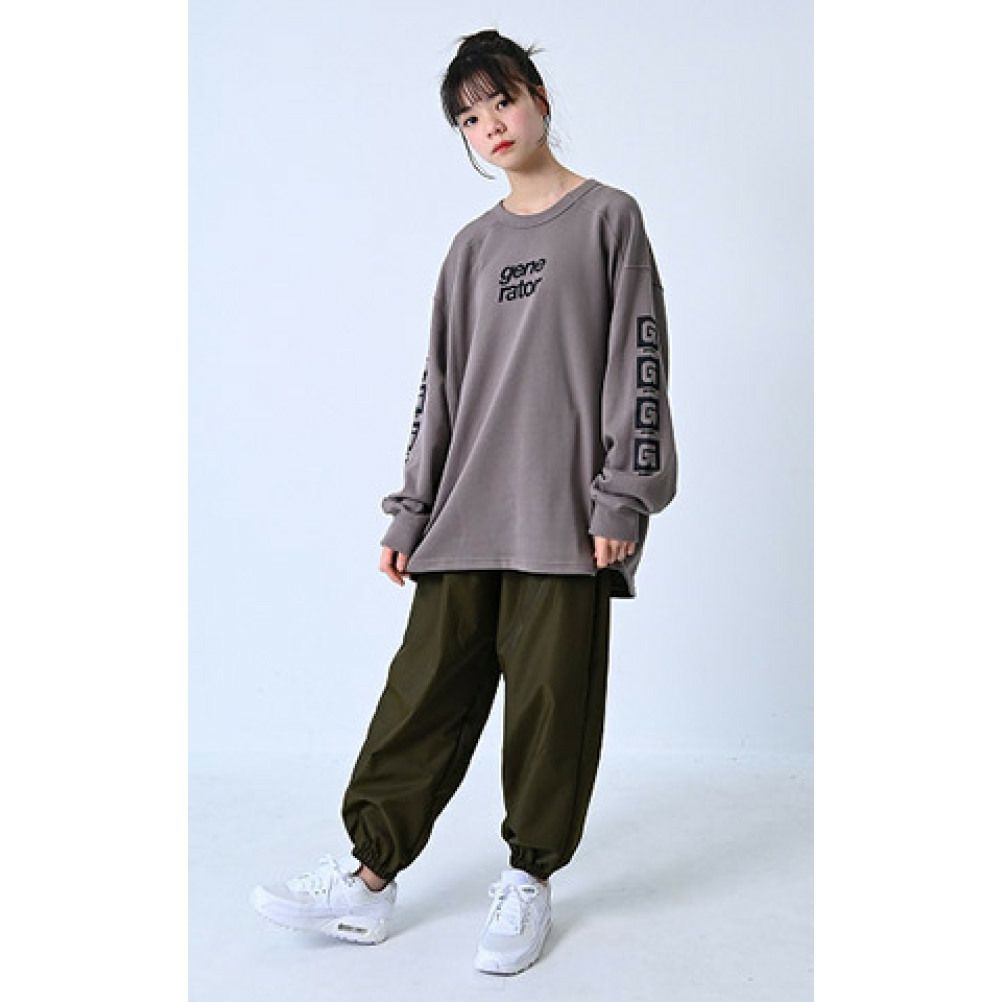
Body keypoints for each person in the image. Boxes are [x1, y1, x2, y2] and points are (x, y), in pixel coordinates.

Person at [251, 27, 679, 975]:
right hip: (464, 510)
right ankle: (369, 880)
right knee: (423, 696)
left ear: (539, 98)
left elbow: (639, 363)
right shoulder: (471, 249)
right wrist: (411, 510)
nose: (491, 126)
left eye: (503, 101)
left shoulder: (610, 219)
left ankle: (528, 880)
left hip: (568, 518)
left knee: (550, 708)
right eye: (470, 117)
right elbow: (438, 387)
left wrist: (624, 497)